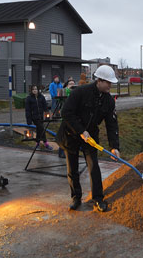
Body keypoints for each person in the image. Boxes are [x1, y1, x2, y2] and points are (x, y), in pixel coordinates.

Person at [56, 65, 120, 212]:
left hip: (90, 137)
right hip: (71, 133)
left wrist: (114, 146)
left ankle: (98, 198)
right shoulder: (80, 92)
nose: (110, 85)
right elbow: (66, 112)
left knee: (94, 167)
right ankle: (76, 197)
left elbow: (112, 125)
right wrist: (80, 130)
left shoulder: (109, 101)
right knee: (72, 168)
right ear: (99, 80)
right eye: (108, 83)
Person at [25, 85, 53, 150]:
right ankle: (46, 143)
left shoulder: (41, 97)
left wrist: (47, 115)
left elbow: (45, 107)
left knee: (39, 130)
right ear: (31, 90)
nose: (35, 90)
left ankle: (37, 144)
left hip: (41, 116)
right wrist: (28, 120)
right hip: (34, 117)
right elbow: (27, 110)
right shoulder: (29, 98)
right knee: (41, 128)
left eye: (36, 89)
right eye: (33, 89)